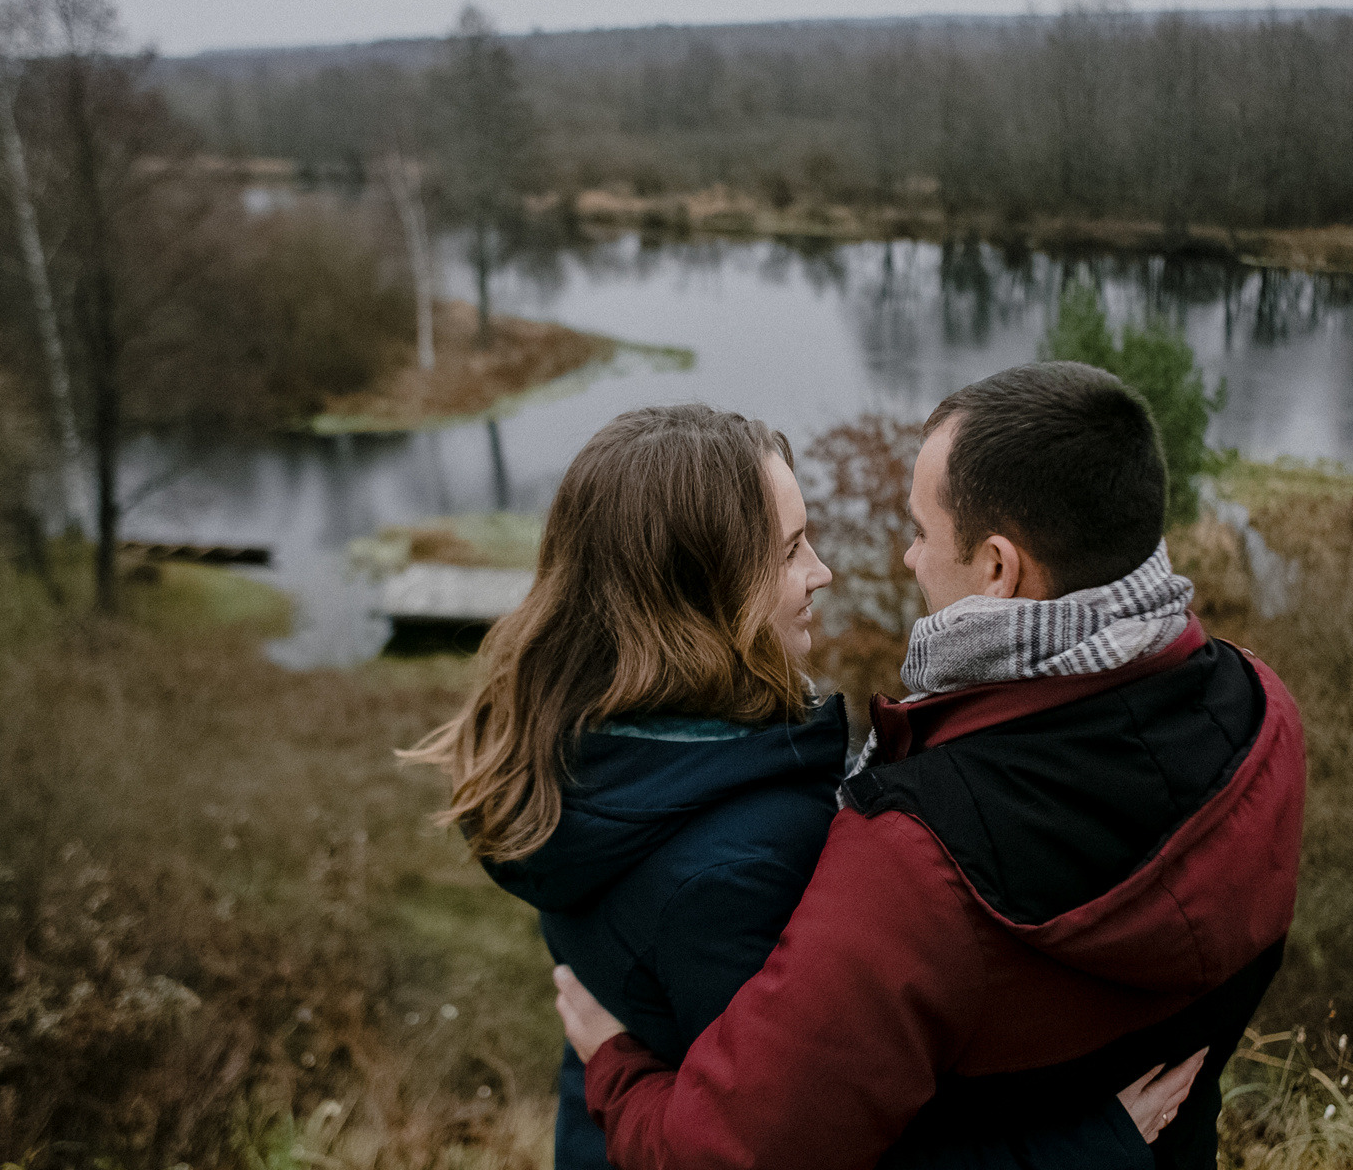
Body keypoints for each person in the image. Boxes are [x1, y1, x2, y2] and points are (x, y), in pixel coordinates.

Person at [553, 363, 1308, 1170]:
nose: (903, 559)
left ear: (996, 569)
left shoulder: (911, 858)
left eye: (919, 530)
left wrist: (619, 1072)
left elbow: (738, 1155)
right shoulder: (1265, 713)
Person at [407, 403, 1197, 1170]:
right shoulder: (740, 868)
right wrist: (1088, 1149)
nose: (822, 571)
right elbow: (803, 1143)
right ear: (701, 594)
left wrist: (615, 1066)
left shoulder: (579, 745)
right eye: (789, 551)